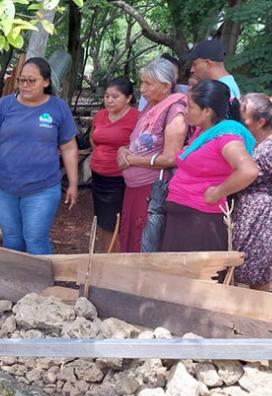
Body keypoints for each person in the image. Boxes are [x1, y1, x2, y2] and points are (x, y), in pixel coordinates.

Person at [0, 57, 79, 255]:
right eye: (21, 80)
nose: (25, 85)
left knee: (35, 239)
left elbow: (69, 147)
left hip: (42, 189)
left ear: (46, 82)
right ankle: (16, 283)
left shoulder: (58, 108)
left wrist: (73, 183)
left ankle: (41, 283)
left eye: (31, 80)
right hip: (3, 188)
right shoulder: (4, 105)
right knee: (13, 240)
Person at [160, 80, 259, 252]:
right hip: (185, 217)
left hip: (200, 222)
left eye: (190, 106)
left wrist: (217, 193)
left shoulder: (226, 137)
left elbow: (249, 170)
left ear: (207, 111)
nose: (185, 111)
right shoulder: (203, 131)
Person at [116, 58, 189, 252]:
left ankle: (142, 282)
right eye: (142, 82)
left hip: (151, 191)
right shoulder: (151, 107)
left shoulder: (175, 112)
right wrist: (123, 150)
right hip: (134, 189)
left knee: (145, 242)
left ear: (165, 86)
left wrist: (132, 159)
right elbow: (138, 142)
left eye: (148, 83)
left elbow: (170, 158)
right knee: (131, 238)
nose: (142, 89)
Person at [90, 77, 140, 252]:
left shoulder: (136, 118)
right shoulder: (100, 115)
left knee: (115, 223)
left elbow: (140, 145)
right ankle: (106, 257)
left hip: (119, 180)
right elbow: (93, 138)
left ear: (128, 98)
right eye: (106, 96)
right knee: (104, 222)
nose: (109, 100)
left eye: (115, 96)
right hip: (98, 177)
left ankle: (113, 262)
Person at [234, 94, 272, 291]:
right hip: (251, 213)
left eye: (244, 118)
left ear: (261, 121)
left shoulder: (268, 148)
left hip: (262, 216)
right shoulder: (255, 143)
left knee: (258, 275)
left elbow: (247, 175)